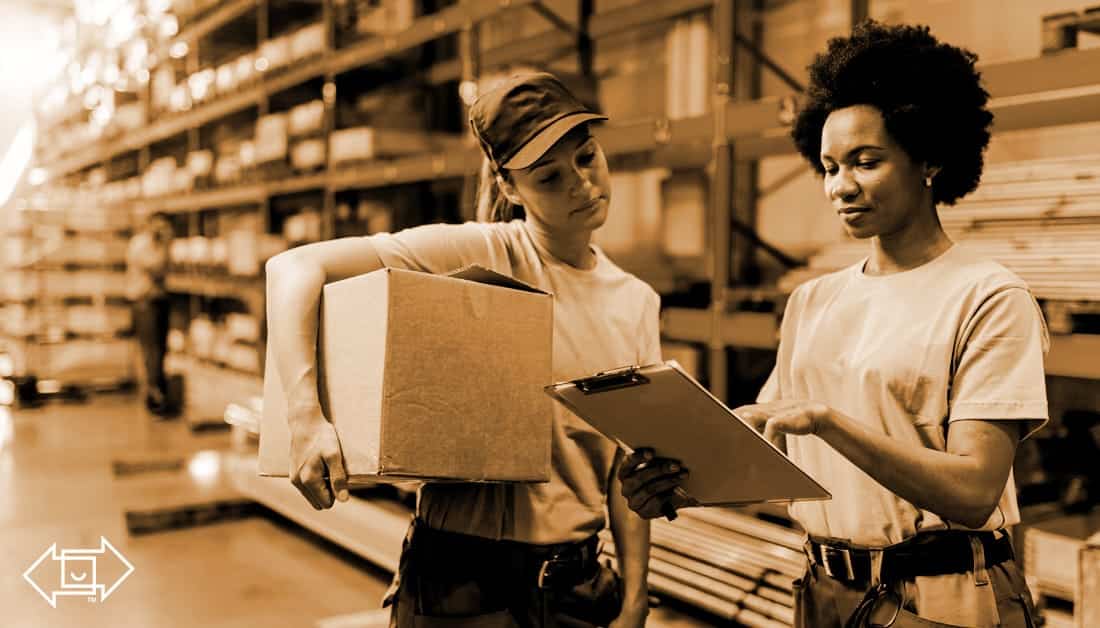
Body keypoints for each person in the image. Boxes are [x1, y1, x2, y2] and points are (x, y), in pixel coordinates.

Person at [617, 21, 1047, 628]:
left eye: (865, 163)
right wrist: (679, 484)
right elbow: (771, 455)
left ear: (929, 159)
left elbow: (975, 491)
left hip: (942, 596)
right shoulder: (813, 300)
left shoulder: (989, 297)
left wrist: (827, 421)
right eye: (828, 167)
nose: (840, 187)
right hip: (825, 591)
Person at [264, 72, 657, 628]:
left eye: (587, 157)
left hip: (576, 590)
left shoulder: (636, 302)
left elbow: (626, 467)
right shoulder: (482, 254)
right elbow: (292, 267)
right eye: (548, 176)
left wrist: (636, 596)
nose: (580, 183)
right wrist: (305, 416)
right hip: (462, 589)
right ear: (510, 188)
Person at [127, 211, 175, 416]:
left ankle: (158, 394)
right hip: (144, 303)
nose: (162, 229)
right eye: (160, 225)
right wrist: (165, 246)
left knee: (161, 350)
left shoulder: (160, 245)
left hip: (159, 301)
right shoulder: (141, 244)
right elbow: (157, 268)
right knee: (151, 351)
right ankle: (154, 397)